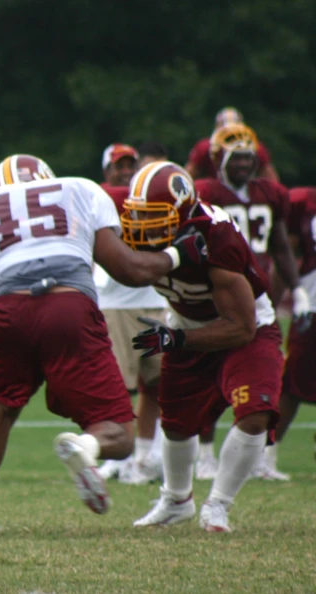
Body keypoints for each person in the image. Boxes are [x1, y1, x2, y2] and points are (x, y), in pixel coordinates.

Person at [0, 154, 208, 536]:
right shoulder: (79, 189)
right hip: (67, 307)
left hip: (7, 312)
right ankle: (87, 449)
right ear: (48, 176)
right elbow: (130, 270)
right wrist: (177, 255)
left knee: (1, 408)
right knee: (118, 434)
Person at [122, 161, 284, 532]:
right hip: (185, 325)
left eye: (153, 216)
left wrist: (176, 339)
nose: (141, 225)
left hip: (246, 330)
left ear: (180, 212)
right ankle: (176, 501)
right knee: (177, 424)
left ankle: (219, 504)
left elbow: (241, 328)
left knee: (255, 413)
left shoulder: (218, 240)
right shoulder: (134, 228)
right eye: (138, 214)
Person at [194, 123, 309, 480]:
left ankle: (259, 457)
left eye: (248, 158)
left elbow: (280, 247)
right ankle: (203, 456)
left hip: (257, 299)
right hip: (217, 295)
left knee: (266, 376)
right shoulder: (204, 191)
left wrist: (298, 289)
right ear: (218, 159)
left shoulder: (270, 193)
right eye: (236, 158)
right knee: (206, 376)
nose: (244, 165)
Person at [95, 143, 167, 485]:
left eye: (130, 165)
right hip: (115, 302)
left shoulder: (149, 198)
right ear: (107, 169)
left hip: (154, 297)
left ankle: (143, 456)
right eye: (118, 165)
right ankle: (117, 455)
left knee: (157, 383)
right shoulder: (100, 197)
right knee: (120, 388)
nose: (125, 171)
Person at [268, 187, 316, 478]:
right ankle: (265, 454)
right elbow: (284, 254)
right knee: (291, 384)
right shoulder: (304, 203)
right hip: (312, 304)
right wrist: (269, 306)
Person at [185, 107, 279, 181]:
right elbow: (187, 178)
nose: (230, 138)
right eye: (225, 133)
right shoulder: (205, 148)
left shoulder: (255, 148)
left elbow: (272, 181)